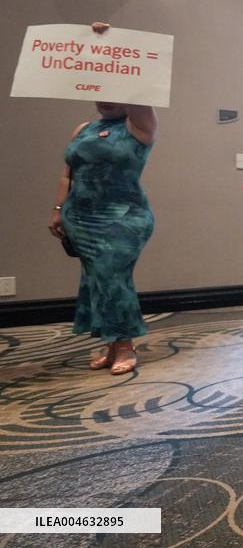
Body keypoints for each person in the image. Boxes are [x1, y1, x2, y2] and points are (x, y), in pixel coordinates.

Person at [48, 22, 157, 375]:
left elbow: (139, 81)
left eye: (114, 89)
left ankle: (125, 344)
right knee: (95, 278)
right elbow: (68, 172)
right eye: (100, 89)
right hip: (80, 216)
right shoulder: (82, 129)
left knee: (113, 276)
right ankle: (111, 342)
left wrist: (112, 42)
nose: (106, 96)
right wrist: (58, 210)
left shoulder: (139, 126)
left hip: (124, 217)